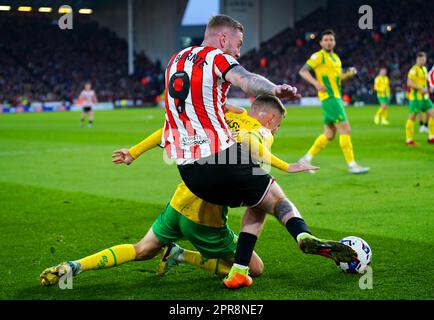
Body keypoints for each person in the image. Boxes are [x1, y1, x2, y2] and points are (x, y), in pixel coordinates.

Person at [38, 96, 316, 287]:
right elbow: (252, 147)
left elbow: (169, 131)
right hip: (204, 218)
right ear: (270, 120)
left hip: (178, 201)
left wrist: (133, 152)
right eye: (278, 126)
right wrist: (284, 165)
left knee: (142, 249)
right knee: (256, 264)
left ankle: (75, 266)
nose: (276, 131)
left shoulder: (218, 116)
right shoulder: (258, 131)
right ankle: (181, 255)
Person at [297, 29, 370, 174]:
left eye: (331, 40)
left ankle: (305, 160)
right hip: (330, 98)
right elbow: (303, 71)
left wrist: (348, 74)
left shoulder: (336, 58)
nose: (329, 42)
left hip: (336, 97)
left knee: (329, 134)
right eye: (326, 40)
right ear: (321, 42)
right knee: (346, 129)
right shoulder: (319, 56)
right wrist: (316, 84)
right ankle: (352, 165)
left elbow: (338, 78)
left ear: (334, 42)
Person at [405, 52, 434, 145]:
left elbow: (424, 82)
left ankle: (431, 137)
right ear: (417, 59)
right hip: (416, 98)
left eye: (424, 59)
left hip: (424, 98)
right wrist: (421, 88)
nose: (423, 61)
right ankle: (409, 140)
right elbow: (409, 83)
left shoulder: (424, 69)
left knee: (433, 114)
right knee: (412, 117)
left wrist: (428, 88)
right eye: (421, 59)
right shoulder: (414, 70)